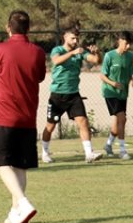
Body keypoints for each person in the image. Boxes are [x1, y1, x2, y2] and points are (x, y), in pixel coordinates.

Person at [0, 11, 47, 223]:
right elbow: (39, 77)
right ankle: (15, 211)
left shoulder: (0, 50)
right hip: (27, 118)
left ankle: (23, 203)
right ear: (28, 28)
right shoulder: (37, 52)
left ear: (8, 28)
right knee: (20, 166)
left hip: (3, 116)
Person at [40, 29, 102, 164]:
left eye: (77, 39)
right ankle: (44, 152)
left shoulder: (80, 52)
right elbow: (56, 61)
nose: (75, 41)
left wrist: (96, 52)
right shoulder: (58, 50)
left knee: (83, 122)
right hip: (57, 95)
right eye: (73, 38)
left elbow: (96, 61)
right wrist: (72, 53)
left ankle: (89, 153)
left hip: (73, 95)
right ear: (65, 37)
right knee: (50, 126)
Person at [99, 32, 133, 160]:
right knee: (122, 118)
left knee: (119, 121)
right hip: (110, 92)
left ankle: (108, 144)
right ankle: (122, 150)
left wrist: (132, 83)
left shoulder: (129, 56)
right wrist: (113, 83)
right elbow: (102, 76)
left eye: (129, 44)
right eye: (126, 43)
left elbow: (129, 73)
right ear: (120, 41)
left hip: (123, 93)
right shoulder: (109, 56)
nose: (128, 46)